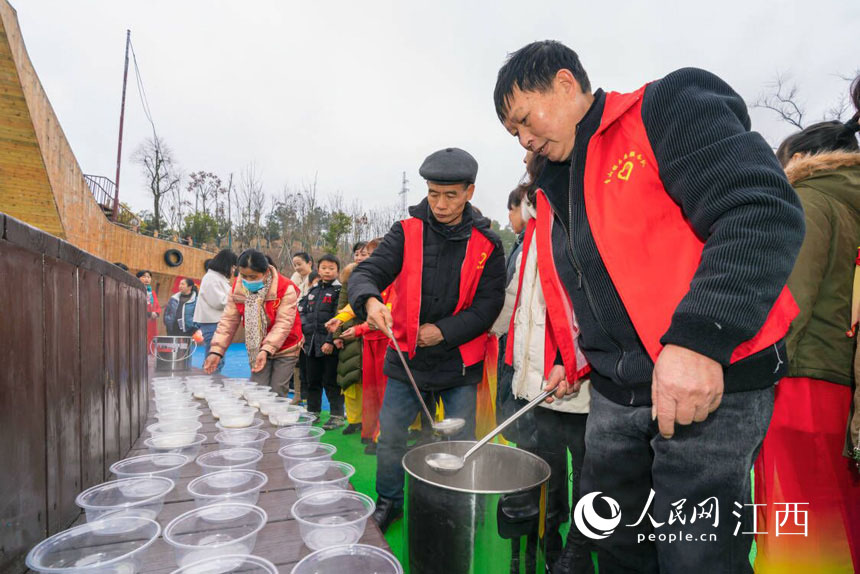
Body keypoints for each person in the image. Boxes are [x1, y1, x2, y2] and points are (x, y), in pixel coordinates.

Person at [494, 41, 804, 573]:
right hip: (616, 398)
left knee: (695, 555)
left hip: (709, 384)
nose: (524, 139)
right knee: (616, 546)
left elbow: (760, 210)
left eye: (524, 118)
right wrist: (579, 358)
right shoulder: (556, 183)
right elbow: (596, 287)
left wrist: (698, 340)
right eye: (514, 134)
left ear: (566, 84)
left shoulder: (663, 110)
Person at [349, 147, 506, 533]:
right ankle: (390, 500)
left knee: (461, 440)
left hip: (458, 362)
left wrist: (444, 331)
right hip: (406, 359)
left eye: (450, 195)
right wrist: (369, 299)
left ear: (470, 191)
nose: (440, 204)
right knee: (391, 437)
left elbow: (489, 306)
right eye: (433, 193)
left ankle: (459, 501)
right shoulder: (405, 233)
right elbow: (368, 271)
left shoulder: (488, 244)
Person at [753, 77, 860, 573]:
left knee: (796, 516)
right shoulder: (851, 203)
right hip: (841, 382)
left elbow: (790, 302)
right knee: (840, 511)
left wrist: (755, 368)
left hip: (801, 380)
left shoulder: (810, 200)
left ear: (803, 159)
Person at [506, 153, 594, 573]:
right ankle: (550, 537)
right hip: (538, 385)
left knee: (589, 472)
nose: (524, 155)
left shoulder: (577, 219)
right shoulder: (533, 234)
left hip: (577, 382)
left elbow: (586, 299)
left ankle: (582, 546)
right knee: (547, 470)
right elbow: (514, 302)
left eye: (533, 155)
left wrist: (567, 358)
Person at [204, 249, 303, 396]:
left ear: (265, 272)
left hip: (286, 345)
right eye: (244, 276)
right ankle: (260, 419)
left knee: (277, 390)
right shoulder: (238, 290)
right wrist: (216, 351)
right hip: (257, 345)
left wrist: (267, 349)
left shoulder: (285, 287)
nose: (248, 281)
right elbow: (228, 321)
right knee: (258, 389)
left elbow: (283, 323)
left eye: (253, 277)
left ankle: (276, 418)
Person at [300, 254, 346, 430]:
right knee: (312, 380)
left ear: (337, 271)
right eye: (324, 268)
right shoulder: (313, 291)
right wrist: (304, 332)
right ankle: (313, 412)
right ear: (318, 270)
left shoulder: (339, 292)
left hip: (329, 346)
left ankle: (336, 416)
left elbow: (338, 318)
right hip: (310, 344)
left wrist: (330, 341)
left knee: (331, 381)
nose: (327, 271)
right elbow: (302, 311)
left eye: (331, 268)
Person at [333, 242, 368, 436]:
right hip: (349, 333)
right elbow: (341, 305)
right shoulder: (348, 276)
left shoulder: (381, 275)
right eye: (357, 254)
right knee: (350, 379)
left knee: (371, 381)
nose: (360, 257)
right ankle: (355, 420)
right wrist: (337, 334)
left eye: (365, 254)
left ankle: (372, 421)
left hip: (372, 333)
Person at [193, 249, 237, 372]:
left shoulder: (217, 278)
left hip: (215, 322)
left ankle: (208, 384)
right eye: (233, 266)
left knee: (216, 358)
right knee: (215, 359)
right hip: (212, 323)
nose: (234, 270)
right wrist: (236, 298)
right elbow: (218, 302)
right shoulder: (211, 278)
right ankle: (209, 385)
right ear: (226, 264)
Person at [290, 252, 315, 405]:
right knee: (297, 362)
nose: (298, 267)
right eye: (295, 265)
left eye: (300, 264)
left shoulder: (314, 278)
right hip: (296, 325)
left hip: (309, 326)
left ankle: (310, 397)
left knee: (309, 364)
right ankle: (298, 394)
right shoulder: (294, 278)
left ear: (310, 263)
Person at [137, 270, 161, 347]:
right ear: (138, 278)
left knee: (151, 342)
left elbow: (157, 306)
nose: (147, 279)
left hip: (151, 322)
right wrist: (149, 314)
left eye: (148, 277)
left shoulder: (152, 293)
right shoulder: (135, 290)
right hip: (140, 321)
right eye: (144, 277)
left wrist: (156, 313)